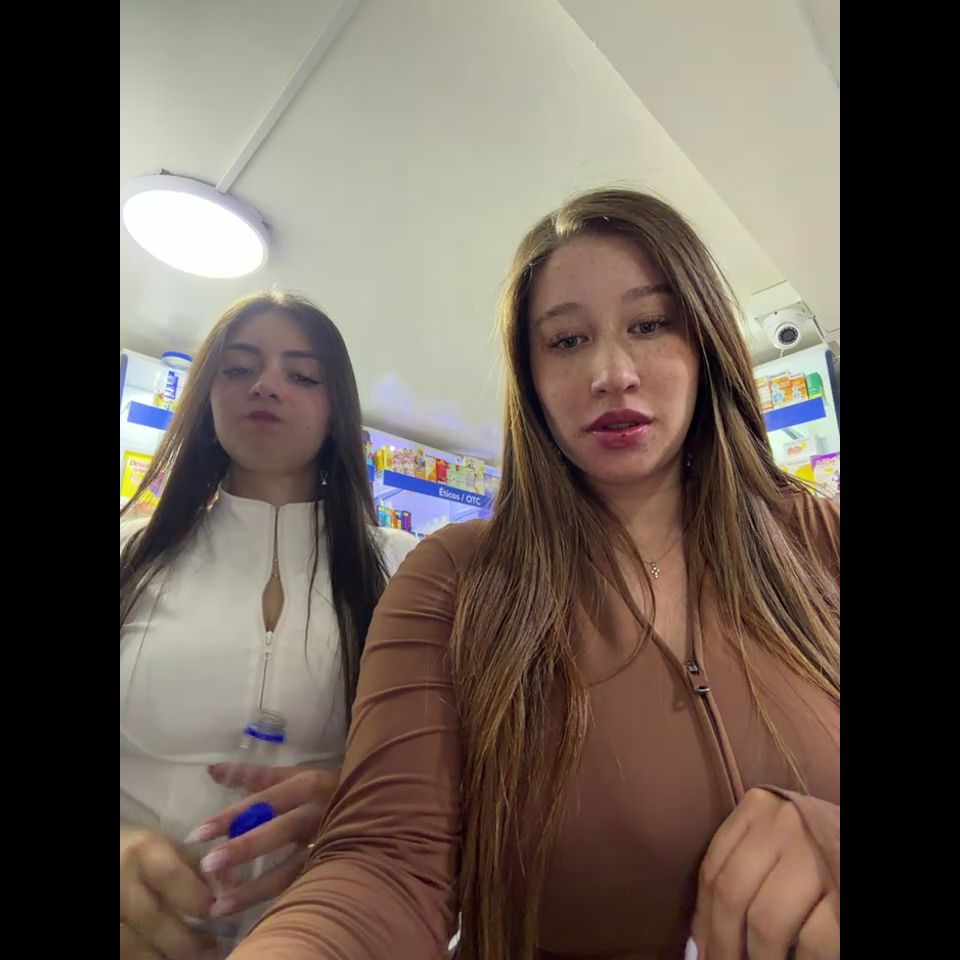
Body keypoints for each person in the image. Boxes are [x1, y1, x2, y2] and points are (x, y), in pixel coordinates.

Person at [231, 190, 840, 960]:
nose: (611, 373)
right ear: (532, 380)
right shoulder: (455, 579)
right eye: (567, 341)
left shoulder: (822, 541)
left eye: (649, 324)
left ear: (705, 341)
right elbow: (384, 862)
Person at [119, 291, 417, 959]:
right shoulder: (130, 554)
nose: (265, 385)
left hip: (330, 933)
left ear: (337, 409)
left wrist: (363, 803)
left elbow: (456, 770)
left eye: (302, 374)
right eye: (237, 368)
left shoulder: (406, 569)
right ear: (206, 397)